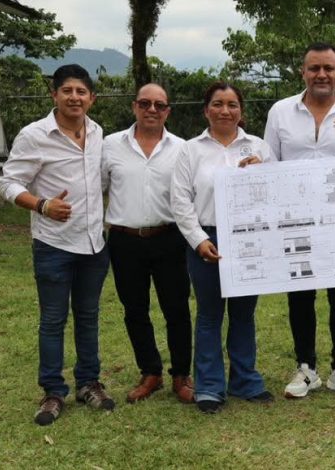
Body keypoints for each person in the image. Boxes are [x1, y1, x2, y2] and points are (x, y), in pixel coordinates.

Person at [0, 64, 114, 426]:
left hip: (94, 244)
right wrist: (42, 205)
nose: (74, 98)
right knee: (52, 320)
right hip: (54, 244)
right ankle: (52, 391)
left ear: (92, 98)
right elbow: (8, 183)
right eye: (67, 91)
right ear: (54, 95)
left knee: (88, 316)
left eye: (81, 92)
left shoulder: (97, 132)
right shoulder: (34, 135)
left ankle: (88, 383)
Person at [264, 42, 335, 399]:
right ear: (303, 72)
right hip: (295, 221)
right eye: (314, 68)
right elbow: (268, 165)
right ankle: (306, 369)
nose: (321, 74)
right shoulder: (280, 112)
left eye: (328, 68)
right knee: (300, 294)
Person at [170, 82, 274, 414]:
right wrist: (199, 239)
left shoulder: (259, 147)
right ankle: (210, 387)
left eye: (232, 105)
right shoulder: (190, 150)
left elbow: (277, 192)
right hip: (207, 237)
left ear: (241, 111)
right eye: (217, 104)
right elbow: (180, 200)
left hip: (249, 238)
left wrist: (262, 173)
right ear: (206, 110)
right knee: (210, 314)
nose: (225, 111)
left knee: (243, 313)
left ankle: (245, 380)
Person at [102, 83, 194, 404]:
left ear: (168, 111)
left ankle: (181, 375)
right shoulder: (110, 145)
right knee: (135, 310)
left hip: (169, 237)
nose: (151, 109)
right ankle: (150, 372)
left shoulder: (183, 148)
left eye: (159, 105)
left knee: (177, 309)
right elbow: (97, 186)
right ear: (134, 107)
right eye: (144, 103)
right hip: (125, 240)